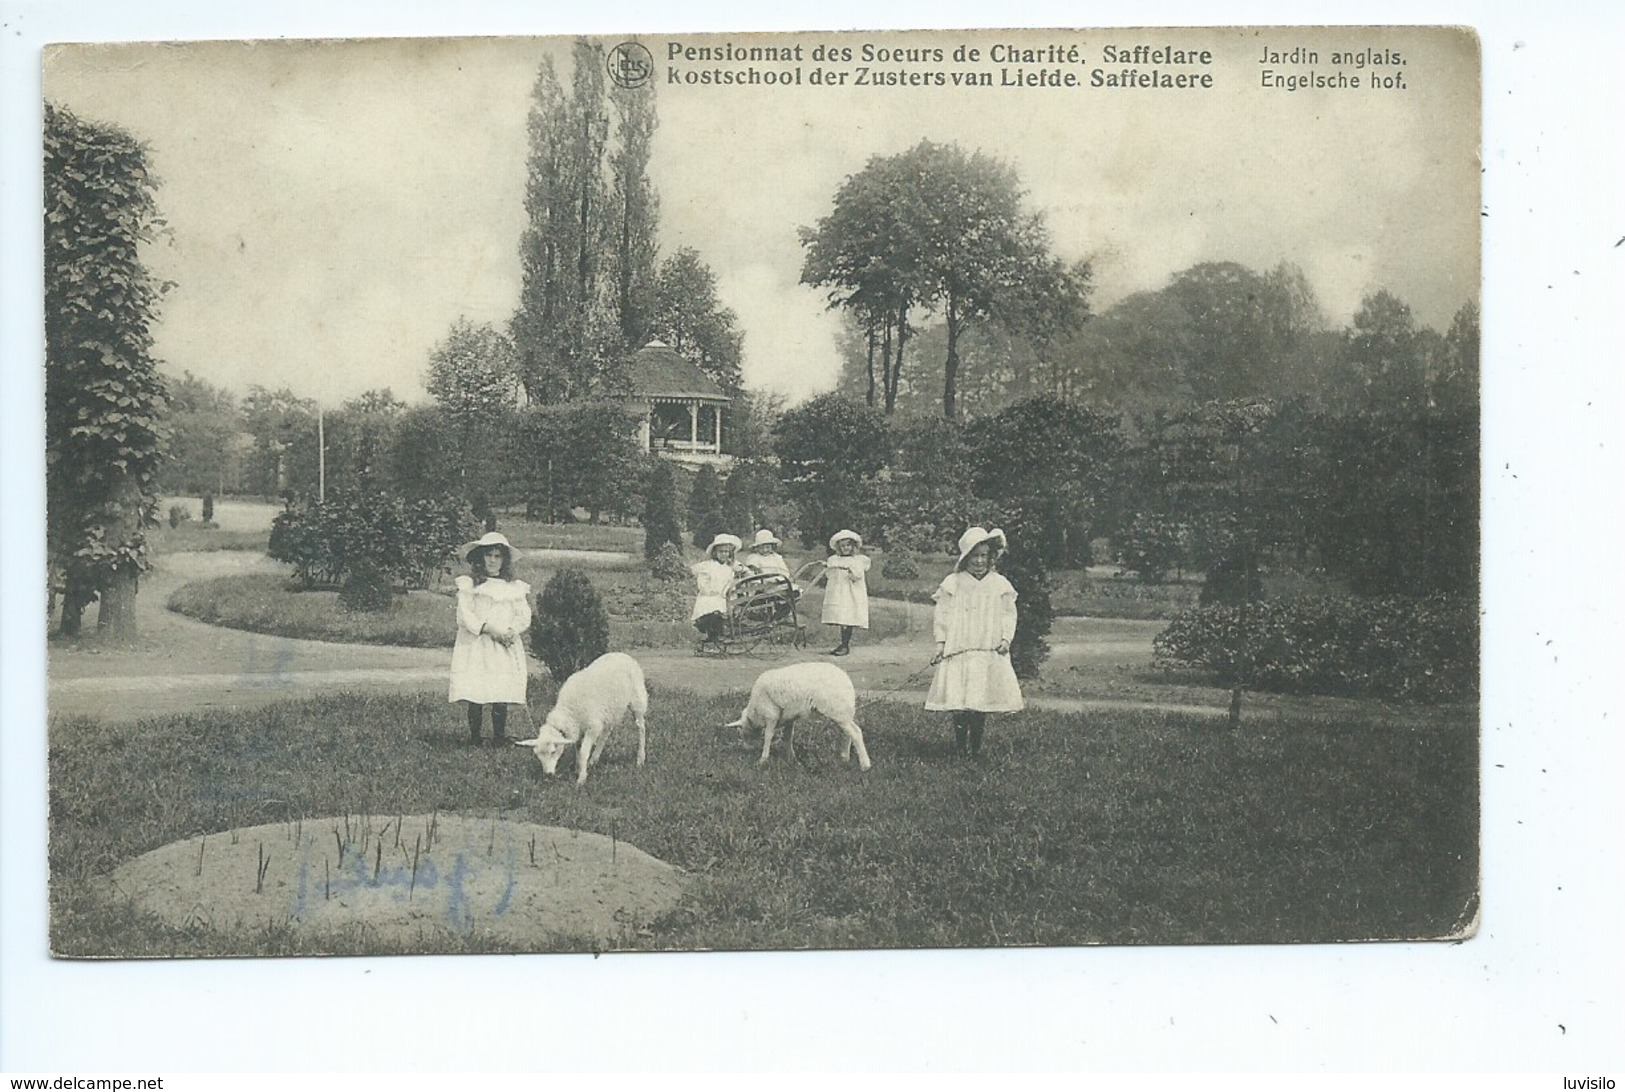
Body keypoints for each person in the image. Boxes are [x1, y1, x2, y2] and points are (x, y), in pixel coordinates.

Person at [925, 526, 1023, 757]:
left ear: (990, 558)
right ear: (965, 558)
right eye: (974, 556)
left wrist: (1005, 639)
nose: (979, 561)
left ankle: (975, 749)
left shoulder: (999, 584)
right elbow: (942, 615)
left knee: (978, 703)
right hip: (958, 651)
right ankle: (959, 747)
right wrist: (941, 644)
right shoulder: (953, 583)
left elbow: (1009, 614)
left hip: (985, 651)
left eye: (983, 556)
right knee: (959, 703)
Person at [449, 531, 531, 745]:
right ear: (479, 558)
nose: (492, 561)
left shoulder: (513, 588)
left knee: (500, 688)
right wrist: (488, 629)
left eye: (497, 556)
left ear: (504, 560)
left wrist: (512, 630)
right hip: (478, 643)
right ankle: (475, 737)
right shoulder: (470, 586)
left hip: (503, 643)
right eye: (488, 556)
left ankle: (499, 737)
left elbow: (524, 615)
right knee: (477, 689)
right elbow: (465, 615)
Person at [820, 529, 870, 656]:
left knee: (848, 618)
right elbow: (829, 574)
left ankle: (845, 645)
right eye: (842, 546)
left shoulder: (858, 560)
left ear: (853, 546)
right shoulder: (834, 559)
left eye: (848, 545)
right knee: (840, 617)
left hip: (851, 592)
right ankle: (843, 644)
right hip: (838, 592)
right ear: (838, 547)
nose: (845, 548)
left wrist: (850, 570)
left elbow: (857, 575)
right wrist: (829, 567)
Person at [692, 533, 744, 652]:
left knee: (722, 613)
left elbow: (741, 570)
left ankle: (716, 637)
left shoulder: (729, 567)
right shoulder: (708, 566)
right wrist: (712, 590)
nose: (724, 554)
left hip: (722, 599)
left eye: (726, 552)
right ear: (715, 553)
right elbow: (703, 585)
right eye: (721, 552)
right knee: (714, 613)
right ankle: (712, 635)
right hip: (708, 598)